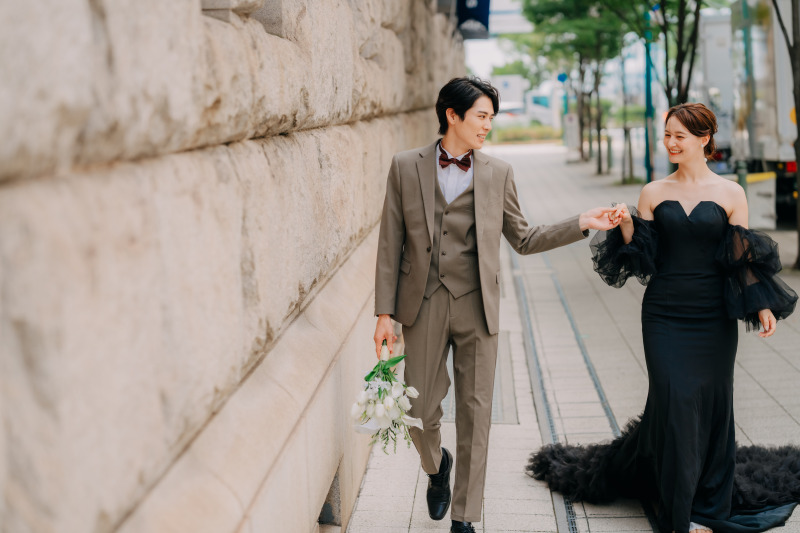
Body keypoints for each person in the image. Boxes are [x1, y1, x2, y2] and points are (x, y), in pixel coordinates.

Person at [527, 103, 800, 533]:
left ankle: (709, 505)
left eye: (680, 136)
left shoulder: (731, 194)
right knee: (675, 402)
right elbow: (646, 260)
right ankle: (680, 513)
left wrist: (762, 304)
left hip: (713, 318)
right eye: (667, 135)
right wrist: (625, 225)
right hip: (665, 314)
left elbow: (740, 259)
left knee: (712, 405)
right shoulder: (653, 191)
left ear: (705, 138)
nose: (671, 143)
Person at [373, 77, 620, 533]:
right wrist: (384, 314)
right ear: (453, 115)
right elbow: (391, 243)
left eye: (491, 117)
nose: (488, 125)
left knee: (476, 412)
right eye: (482, 116)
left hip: (477, 308)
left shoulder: (498, 173)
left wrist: (582, 222)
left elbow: (523, 239)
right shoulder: (405, 167)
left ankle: (465, 517)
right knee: (419, 411)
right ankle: (436, 467)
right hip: (422, 304)